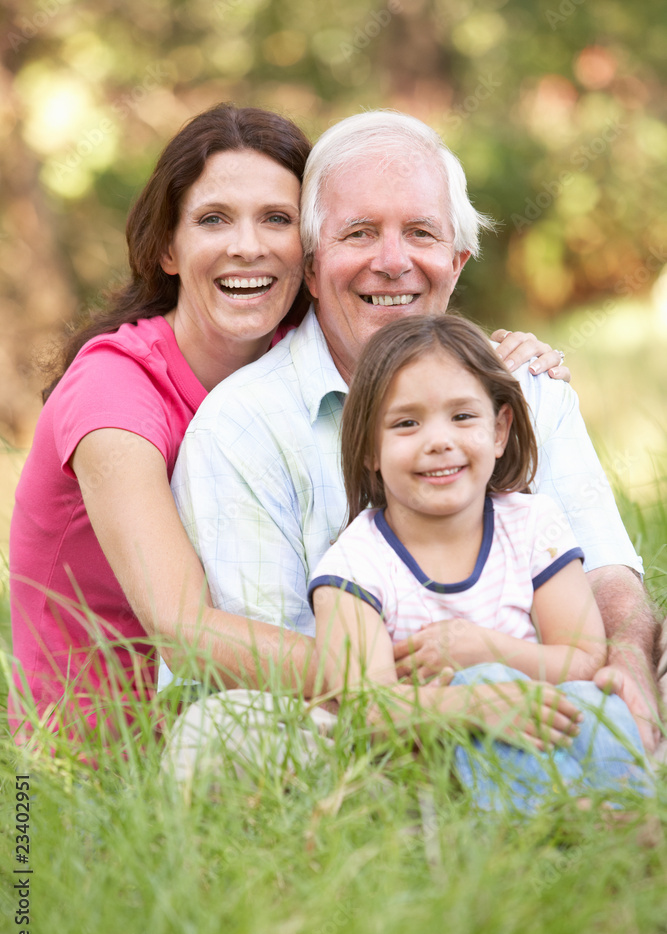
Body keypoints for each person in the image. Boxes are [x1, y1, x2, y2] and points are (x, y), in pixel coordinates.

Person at [171, 109, 661, 760]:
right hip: (361, 724)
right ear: (313, 268)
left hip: (554, 701)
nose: (393, 262)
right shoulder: (242, 428)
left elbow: (605, 571)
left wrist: (624, 664)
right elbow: (282, 656)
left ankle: (623, 814)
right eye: (360, 232)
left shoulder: (529, 391)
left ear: (455, 262)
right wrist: (458, 706)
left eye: (421, 233)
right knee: (223, 737)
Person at [8, 102, 316, 744]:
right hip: (91, 774)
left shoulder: (296, 360)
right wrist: (390, 682)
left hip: (244, 726)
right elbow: (185, 629)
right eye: (213, 220)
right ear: (168, 249)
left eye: (277, 219)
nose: (247, 246)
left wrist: (499, 359)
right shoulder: (114, 393)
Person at [308, 314, 652, 812]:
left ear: (499, 429)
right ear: (368, 448)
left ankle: (627, 803)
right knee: (483, 684)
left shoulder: (532, 523)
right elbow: (367, 707)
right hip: (432, 754)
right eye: (407, 423)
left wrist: (484, 649)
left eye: (463, 417)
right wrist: (475, 704)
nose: (439, 441)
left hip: (544, 721)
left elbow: (583, 659)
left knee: (604, 695)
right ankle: (559, 820)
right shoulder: (353, 566)